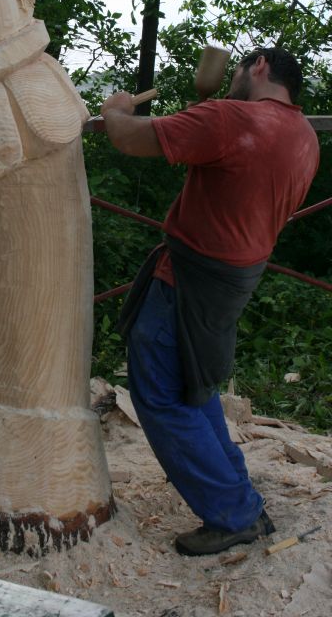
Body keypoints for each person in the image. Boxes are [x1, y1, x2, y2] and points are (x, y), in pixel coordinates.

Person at [100, 47, 319, 556]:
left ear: (259, 66)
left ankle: (233, 514)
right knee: (194, 385)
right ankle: (239, 498)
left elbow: (128, 139)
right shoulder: (301, 133)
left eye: (240, 70)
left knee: (159, 393)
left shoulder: (228, 120)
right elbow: (227, 142)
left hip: (189, 278)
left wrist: (114, 109)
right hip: (237, 276)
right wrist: (210, 103)